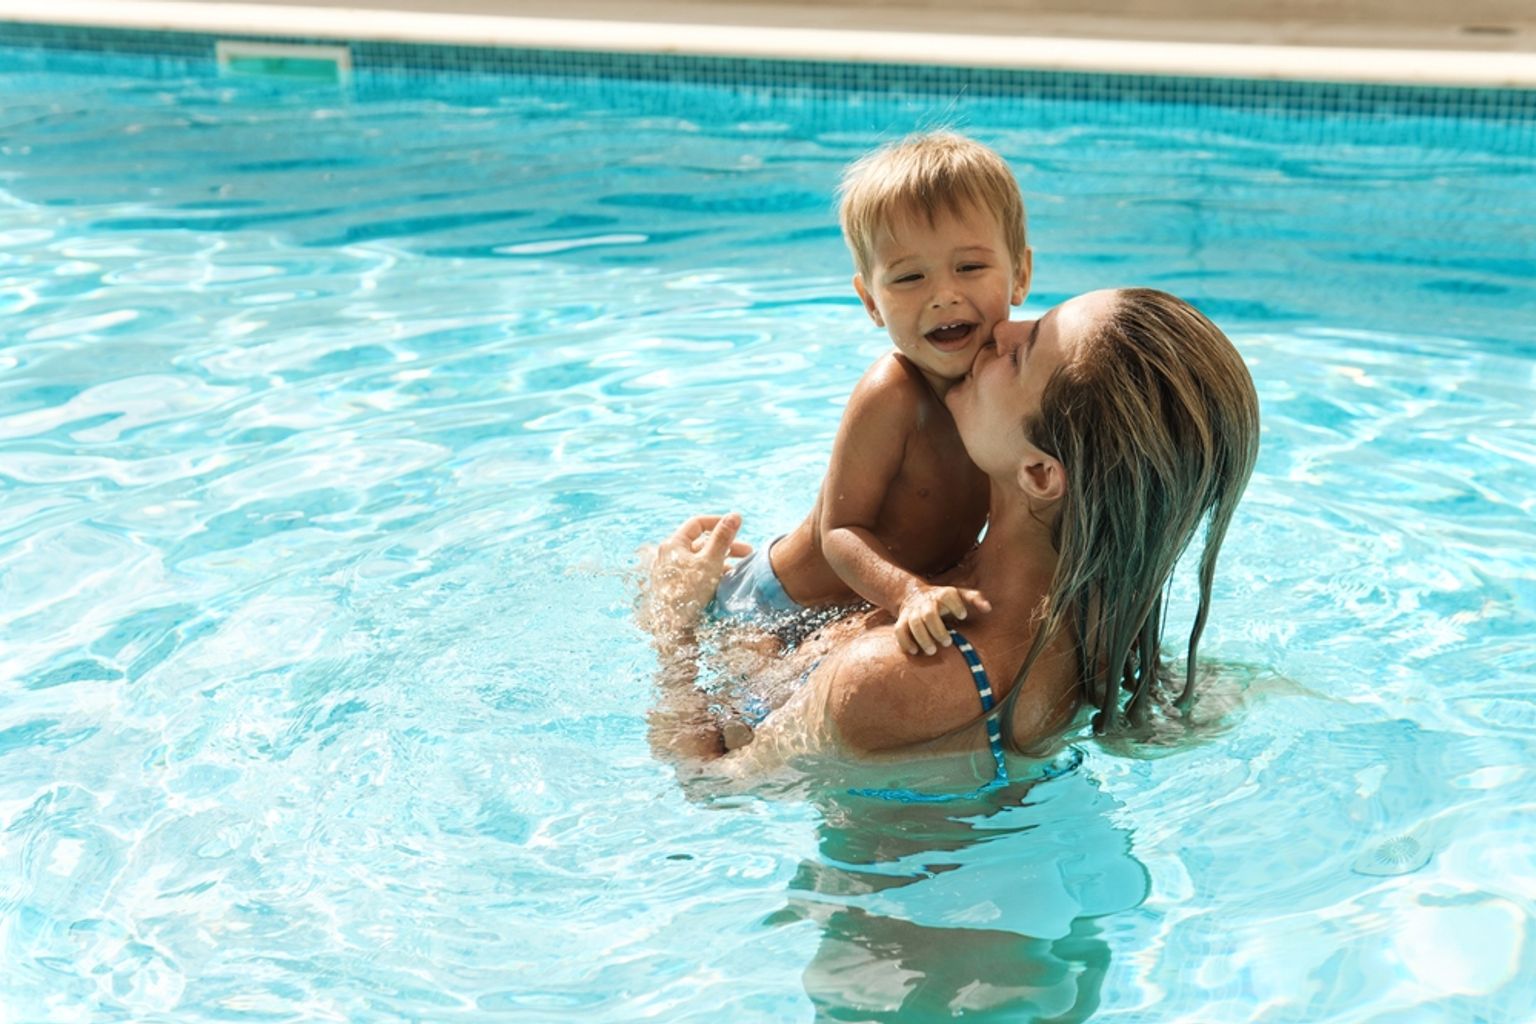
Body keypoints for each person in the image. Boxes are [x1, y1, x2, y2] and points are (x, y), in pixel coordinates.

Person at [643, 288, 1261, 774]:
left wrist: (671, 624)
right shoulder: (1097, 627)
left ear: (1042, 472)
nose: (1000, 328)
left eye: (1021, 353)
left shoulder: (905, 676)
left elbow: (712, 786)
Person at [713, 131, 1032, 658]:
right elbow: (840, 532)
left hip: (865, 608)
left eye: (970, 268)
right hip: (775, 607)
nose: (943, 295)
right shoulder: (894, 393)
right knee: (729, 733)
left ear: (1019, 274)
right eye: (909, 278)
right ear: (871, 301)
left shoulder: (1019, 385)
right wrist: (907, 594)